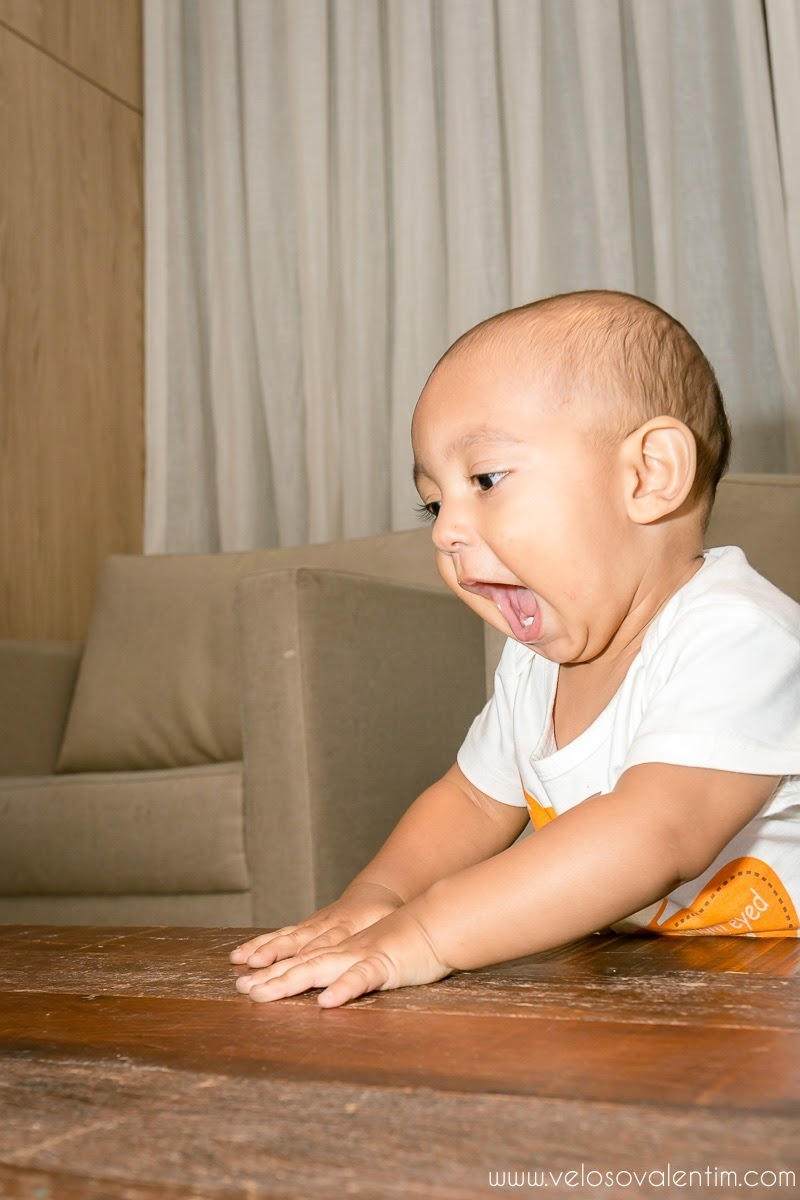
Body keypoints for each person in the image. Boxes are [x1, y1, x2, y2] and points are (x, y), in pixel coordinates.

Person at [230, 289, 800, 1008]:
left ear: (649, 474)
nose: (445, 532)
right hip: (658, 987)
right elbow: (472, 799)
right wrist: (379, 897)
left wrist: (430, 934)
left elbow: (653, 833)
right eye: (435, 503)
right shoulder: (536, 666)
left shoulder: (739, 637)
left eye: (486, 480)